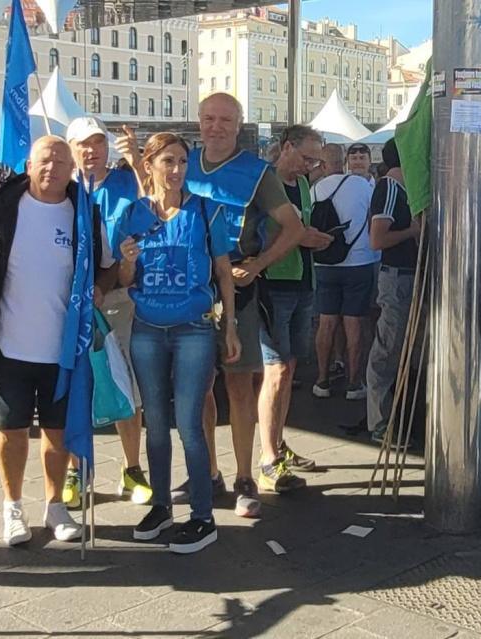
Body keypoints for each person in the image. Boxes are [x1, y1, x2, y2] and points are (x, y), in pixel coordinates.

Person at [121, 93, 303, 518]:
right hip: (185, 295)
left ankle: (244, 477)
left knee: (240, 386)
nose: (216, 126)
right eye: (209, 118)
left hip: (235, 288)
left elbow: (293, 228)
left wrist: (258, 264)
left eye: (225, 119)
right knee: (198, 391)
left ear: (239, 124)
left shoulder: (258, 173)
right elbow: (152, 203)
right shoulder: (183, 161)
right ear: (198, 122)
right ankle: (208, 473)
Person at [0, 136, 97, 546]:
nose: (53, 168)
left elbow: (106, 268)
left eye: (62, 161)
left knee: (58, 433)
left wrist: (103, 289)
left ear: (71, 169)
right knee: (12, 430)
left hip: (63, 349)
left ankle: (55, 505)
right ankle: (12, 506)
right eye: (45, 160)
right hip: (8, 343)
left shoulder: (84, 211)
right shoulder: (4, 206)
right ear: (29, 164)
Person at [117, 133, 240, 554]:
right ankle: (161, 504)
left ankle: (203, 517)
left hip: (193, 328)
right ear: (148, 165)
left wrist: (232, 326)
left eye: (182, 162)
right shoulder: (133, 214)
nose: (176, 170)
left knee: (189, 423)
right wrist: (129, 261)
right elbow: (123, 279)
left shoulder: (207, 210)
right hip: (148, 327)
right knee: (154, 423)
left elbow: (224, 271)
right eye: (167, 161)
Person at [63, 116, 151, 508]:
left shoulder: (123, 181)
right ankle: (75, 470)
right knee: (73, 387)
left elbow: (155, 203)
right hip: (71, 301)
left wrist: (136, 162)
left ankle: (132, 469)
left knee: (125, 383)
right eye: (83, 144)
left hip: (120, 296)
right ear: (70, 148)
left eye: (98, 142)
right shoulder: (61, 190)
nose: (91, 150)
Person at [257, 124, 332, 494]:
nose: (309, 166)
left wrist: (308, 238)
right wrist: (300, 236)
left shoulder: (302, 185)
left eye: (315, 160)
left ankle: (278, 443)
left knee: (288, 370)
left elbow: (298, 228)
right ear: (286, 148)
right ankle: (268, 459)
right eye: (306, 158)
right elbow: (259, 236)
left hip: (303, 280)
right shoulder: (263, 181)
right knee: (275, 372)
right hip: (273, 285)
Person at [311, 139, 378, 401]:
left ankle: (322, 380)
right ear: (345, 162)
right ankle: (354, 383)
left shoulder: (315, 189)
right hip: (358, 262)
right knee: (354, 323)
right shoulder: (362, 186)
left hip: (324, 263)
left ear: (324, 164)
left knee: (326, 322)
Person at [365, 139, 421, 444]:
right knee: (388, 349)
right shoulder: (388, 189)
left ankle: (399, 415)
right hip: (397, 277)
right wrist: (413, 231)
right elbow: (377, 239)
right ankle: (380, 421)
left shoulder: (408, 189)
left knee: (405, 349)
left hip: (411, 276)